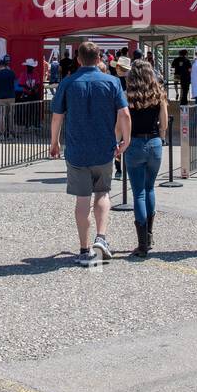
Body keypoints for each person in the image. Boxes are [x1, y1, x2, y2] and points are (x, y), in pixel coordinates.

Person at [49, 40, 130, 266]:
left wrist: (54, 142)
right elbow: (124, 113)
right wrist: (126, 140)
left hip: (76, 150)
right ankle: (101, 238)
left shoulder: (68, 83)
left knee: (82, 199)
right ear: (99, 59)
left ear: (78, 59)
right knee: (103, 193)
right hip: (104, 149)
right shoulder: (112, 82)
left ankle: (84, 250)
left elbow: (57, 116)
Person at [123, 59, 168, 257]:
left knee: (138, 192)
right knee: (150, 188)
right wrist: (162, 138)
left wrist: (120, 142)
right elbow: (164, 122)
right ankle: (149, 235)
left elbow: (123, 121)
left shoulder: (127, 95)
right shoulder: (158, 94)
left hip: (134, 142)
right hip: (154, 142)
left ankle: (142, 244)